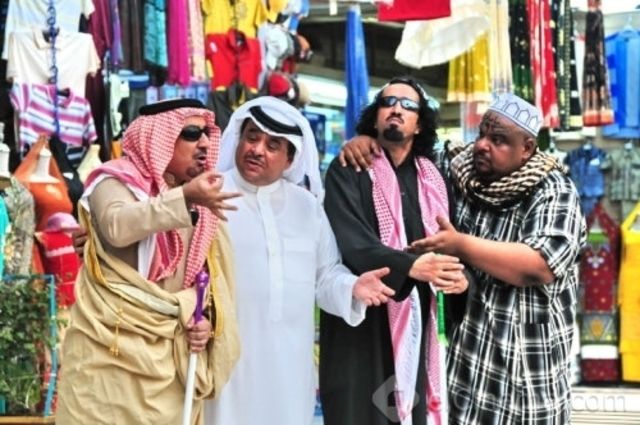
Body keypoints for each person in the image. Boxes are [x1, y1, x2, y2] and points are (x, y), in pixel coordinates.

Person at [340, 93, 586, 424]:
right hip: (467, 369)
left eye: (498, 140)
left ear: (527, 148)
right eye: (482, 133)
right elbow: (406, 151)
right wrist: (367, 140)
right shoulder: (459, 171)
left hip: (527, 373)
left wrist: (459, 245)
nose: (482, 145)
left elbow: (537, 265)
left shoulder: (553, 191)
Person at [203, 96, 397, 425]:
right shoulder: (209, 198)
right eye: (251, 138)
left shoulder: (307, 208)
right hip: (226, 361)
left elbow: (326, 275)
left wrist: (352, 287)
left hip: (289, 364)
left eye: (272, 145)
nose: (257, 150)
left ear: (290, 158)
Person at [57, 98, 242, 425]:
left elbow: (210, 283)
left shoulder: (204, 206)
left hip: (170, 367)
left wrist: (205, 322)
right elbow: (117, 227)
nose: (204, 143)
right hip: (108, 358)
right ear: (158, 137)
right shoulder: (113, 181)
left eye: (207, 134)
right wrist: (184, 198)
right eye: (191, 133)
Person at [320, 76, 468, 425]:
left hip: (416, 321)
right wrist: (412, 266)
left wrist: (459, 281)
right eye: (388, 102)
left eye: (408, 105)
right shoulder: (349, 168)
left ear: (420, 124)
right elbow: (352, 241)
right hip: (361, 322)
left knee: (407, 414)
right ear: (375, 118)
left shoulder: (435, 179)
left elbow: (450, 245)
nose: (397, 109)